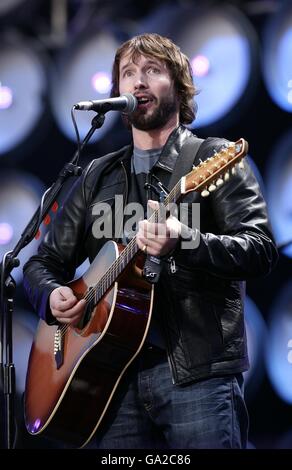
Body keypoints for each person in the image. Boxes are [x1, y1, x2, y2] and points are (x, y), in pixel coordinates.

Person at [23, 33, 278, 449]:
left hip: (196, 374)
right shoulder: (96, 176)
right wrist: (51, 296)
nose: (138, 82)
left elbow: (260, 248)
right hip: (108, 379)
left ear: (178, 86)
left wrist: (186, 241)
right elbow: (41, 263)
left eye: (152, 71)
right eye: (128, 73)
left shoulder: (210, 158)